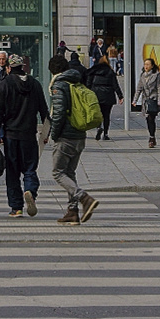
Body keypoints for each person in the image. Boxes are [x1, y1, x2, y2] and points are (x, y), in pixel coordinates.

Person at [0, 54, 50, 217]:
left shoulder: (5, 84)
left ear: (9, 68)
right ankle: (30, 190)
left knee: (12, 171)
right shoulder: (35, 84)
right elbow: (44, 111)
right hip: (29, 135)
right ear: (23, 67)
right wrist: (47, 133)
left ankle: (16, 207)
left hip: (11, 135)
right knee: (30, 168)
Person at [47, 54, 99, 224]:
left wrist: (54, 134)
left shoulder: (59, 85)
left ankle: (84, 198)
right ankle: (72, 211)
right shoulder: (75, 81)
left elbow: (59, 112)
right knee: (69, 173)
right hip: (79, 135)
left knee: (57, 172)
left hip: (66, 136)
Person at [86, 52, 120, 140]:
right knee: (106, 115)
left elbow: (88, 83)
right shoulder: (110, 71)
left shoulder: (94, 70)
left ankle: (98, 127)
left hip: (96, 94)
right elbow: (115, 84)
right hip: (108, 95)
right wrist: (120, 96)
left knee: (98, 114)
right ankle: (105, 133)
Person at [135, 57, 160, 147]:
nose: (146, 66)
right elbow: (139, 88)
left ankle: (151, 137)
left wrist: (159, 101)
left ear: (152, 66)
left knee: (151, 118)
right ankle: (152, 136)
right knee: (148, 119)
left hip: (153, 99)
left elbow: (159, 88)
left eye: (148, 64)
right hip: (145, 101)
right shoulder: (143, 75)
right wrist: (135, 100)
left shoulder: (156, 75)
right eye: (145, 64)